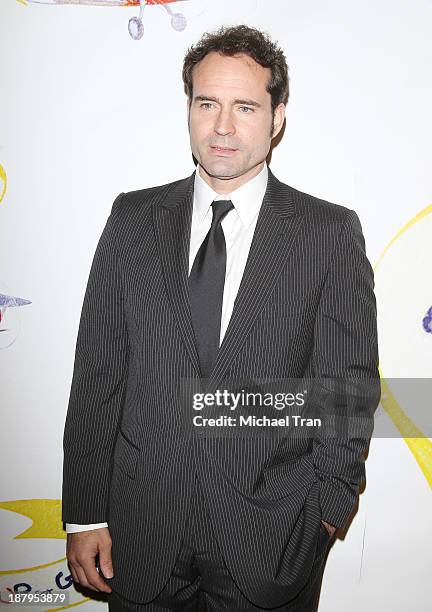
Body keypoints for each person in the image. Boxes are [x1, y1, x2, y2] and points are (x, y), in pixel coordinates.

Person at [62, 24, 380, 611]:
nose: (224, 126)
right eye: (207, 104)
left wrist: (327, 511)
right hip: (141, 532)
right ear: (189, 108)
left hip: (272, 537)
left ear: (277, 116)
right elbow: (98, 376)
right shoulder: (131, 219)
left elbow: (348, 388)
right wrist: (84, 513)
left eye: (245, 107)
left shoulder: (329, 234)